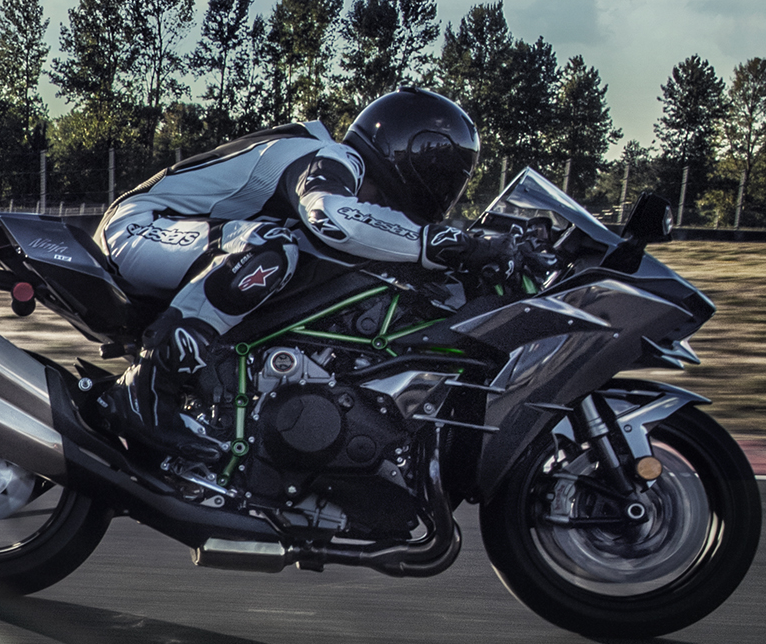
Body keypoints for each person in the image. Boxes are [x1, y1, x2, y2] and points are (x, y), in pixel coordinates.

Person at [91, 87, 515, 468]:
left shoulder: (337, 165)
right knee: (269, 248)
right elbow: (330, 216)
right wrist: (440, 243)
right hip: (140, 227)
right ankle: (144, 389)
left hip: (175, 236)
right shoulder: (332, 157)